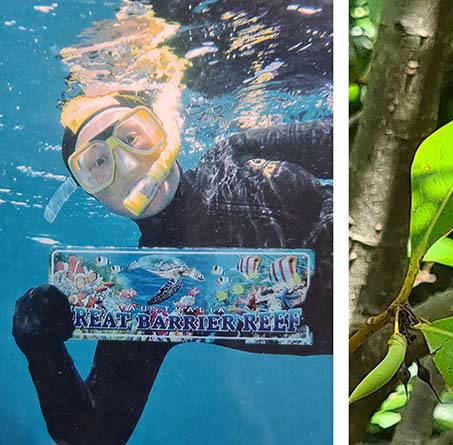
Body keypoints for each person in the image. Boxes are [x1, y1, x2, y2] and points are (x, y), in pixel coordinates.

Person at [11, 1, 332, 443]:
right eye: (98, 165)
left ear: (162, 129)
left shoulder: (236, 152)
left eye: (133, 137)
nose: (128, 165)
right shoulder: (147, 293)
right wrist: (43, 354)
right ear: (91, 193)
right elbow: (94, 436)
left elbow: (356, 143)